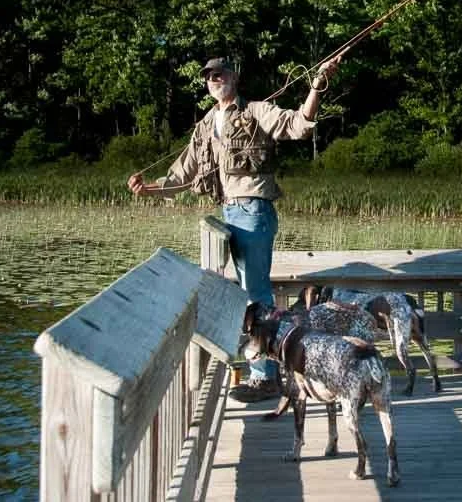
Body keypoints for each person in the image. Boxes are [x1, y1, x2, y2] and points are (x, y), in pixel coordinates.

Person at [127, 55, 339, 402]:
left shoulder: (256, 110)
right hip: (229, 213)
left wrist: (316, 86)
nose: (214, 79)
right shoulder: (205, 125)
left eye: (220, 73)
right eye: (208, 76)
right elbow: (182, 175)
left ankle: (265, 376)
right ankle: (262, 368)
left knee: (256, 295)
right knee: (247, 294)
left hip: (254, 211)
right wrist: (149, 187)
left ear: (234, 76)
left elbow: (299, 125)